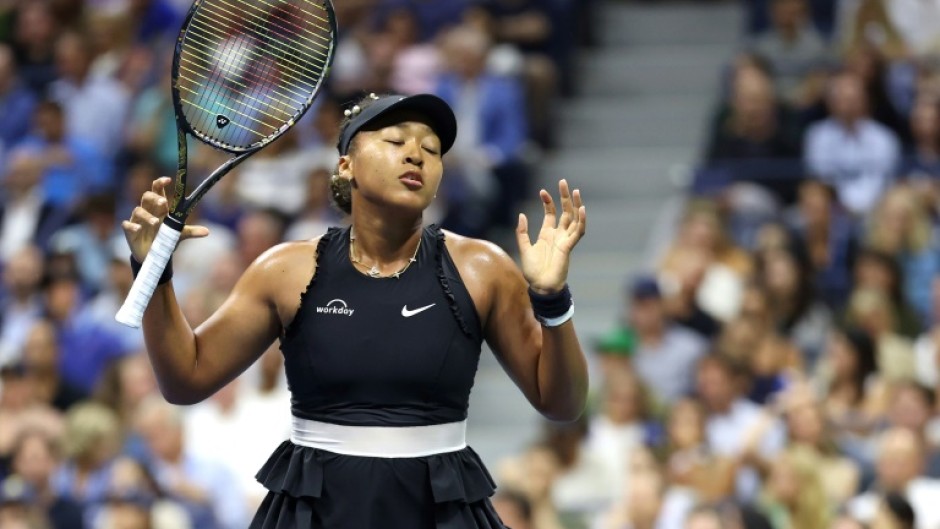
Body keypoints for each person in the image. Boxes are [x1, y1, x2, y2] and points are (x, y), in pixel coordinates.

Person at [121, 92, 589, 529]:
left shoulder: (483, 268)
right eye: (394, 141)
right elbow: (185, 379)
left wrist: (552, 300)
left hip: (440, 511)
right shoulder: (285, 269)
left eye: (432, 149)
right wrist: (152, 270)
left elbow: (563, 404)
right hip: (315, 509)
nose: (416, 155)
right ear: (347, 165)